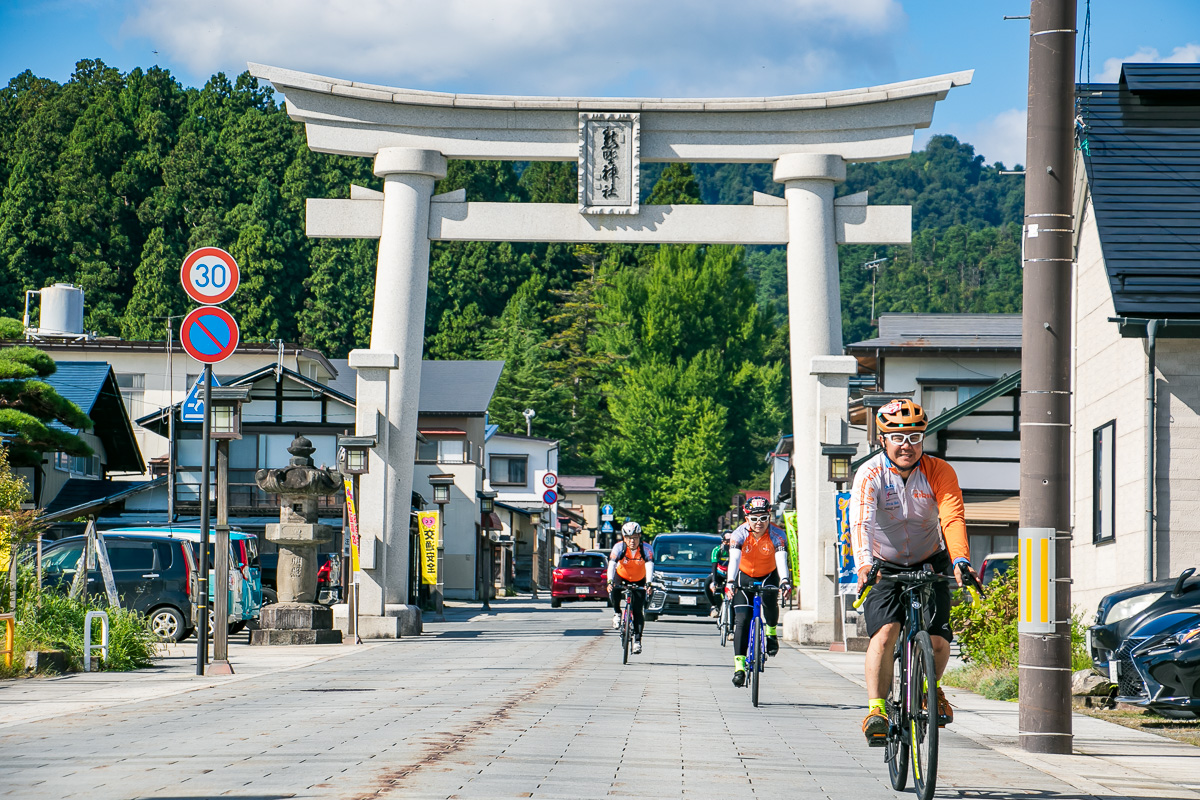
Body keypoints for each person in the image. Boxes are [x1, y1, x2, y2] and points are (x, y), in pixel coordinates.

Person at [850, 398, 977, 745]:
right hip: (882, 563)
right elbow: (861, 521)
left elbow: (952, 516)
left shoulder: (939, 471)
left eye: (916, 437)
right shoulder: (870, 474)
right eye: (899, 437)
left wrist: (960, 560)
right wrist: (864, 565)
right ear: (883, 440)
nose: (907, 445)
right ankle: (876, 709)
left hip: (928, 557)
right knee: (886, 631)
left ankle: (930, 691)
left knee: (937, 639)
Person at [726, 498, 791, 686]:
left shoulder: (777, 535)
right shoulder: (738, 535)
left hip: (768, 575)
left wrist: (785, 580)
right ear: (746, 518)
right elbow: (734, 560)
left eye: (764, 518)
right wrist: (730, 582)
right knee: (742, 620)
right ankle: (739, 668)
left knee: (770, 603)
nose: (759, 523)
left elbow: (781, 559)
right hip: (744, 576)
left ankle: (771, 633)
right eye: (754, 519)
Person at [607, 521, 655, 655]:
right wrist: (609, 581)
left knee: (638, 610)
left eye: (634, 537)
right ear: (624, 538)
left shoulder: (646, 549)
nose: (631, 541)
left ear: (640, 537)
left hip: (640, 578)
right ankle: (617, 613)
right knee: (614, 590)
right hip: (621, 576)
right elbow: (611, 565)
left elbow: (649, 566)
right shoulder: (619, 548)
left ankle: (638, 641)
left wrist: (648, 584)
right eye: (628, 538)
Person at [708, 530, 731, 617]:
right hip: (720, 573)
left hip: (731, 574)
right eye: (727, 541)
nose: (729, 543)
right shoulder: (717, 550)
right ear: (723, 541)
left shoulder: (736, 549)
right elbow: (714, 566)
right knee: (707, 583)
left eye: (731, 541)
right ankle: (714, 606)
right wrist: (714, 581)